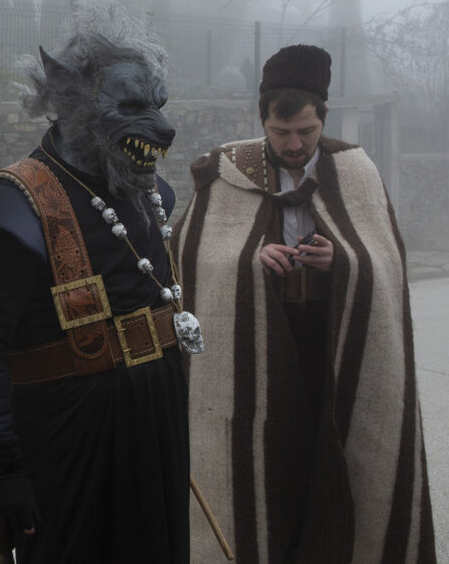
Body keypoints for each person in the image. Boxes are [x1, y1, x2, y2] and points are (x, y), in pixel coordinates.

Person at [172, 44, 436, 563]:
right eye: (281, 132)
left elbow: (385, 258)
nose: (294, 144)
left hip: (330, 345)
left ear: (324, 117)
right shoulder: (227, 169)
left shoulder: (354, 169)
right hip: (260, 347)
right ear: (263, 121)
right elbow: (189, 251)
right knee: (267, 461)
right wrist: (248, 257)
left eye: (306, 131)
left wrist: (342, 259)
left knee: (335, 453)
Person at [0, 15, 201, 564]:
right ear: (70, 102)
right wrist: (3, 465)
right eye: (130, 106)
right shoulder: (15, 209)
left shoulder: (152, 194)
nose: (161, 128)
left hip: (155, 427)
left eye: (158, 104)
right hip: (67, 444)